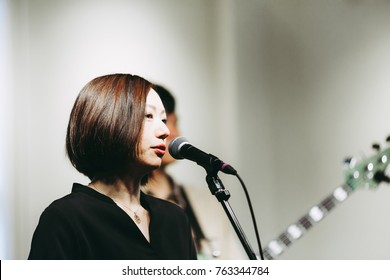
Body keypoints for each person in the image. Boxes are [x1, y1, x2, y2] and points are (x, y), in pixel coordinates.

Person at [28, 74, 197, 260]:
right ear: (109, 122)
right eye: (148, 116)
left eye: (163, 120)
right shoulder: (65, 218)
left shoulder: (175, 219)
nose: (165, 131)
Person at [142, 85, 246, 259]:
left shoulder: (207, 202)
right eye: (166, 122)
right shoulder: (125, 203)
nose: (173, 132)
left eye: (173, 123)